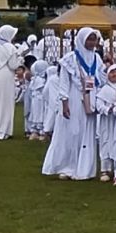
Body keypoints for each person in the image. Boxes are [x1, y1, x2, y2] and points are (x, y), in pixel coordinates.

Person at [42, 27, 105, 180]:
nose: (91, 43)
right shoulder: (70, 58)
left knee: (87, 131)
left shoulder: (97, 58)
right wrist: (64, 102)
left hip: (91, 98)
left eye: (94, 39)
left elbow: (101, 79)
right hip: (74, 98)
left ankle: (84, 168)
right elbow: (64, 82)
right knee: (71, 131)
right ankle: (66, 166)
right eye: (89, 39)